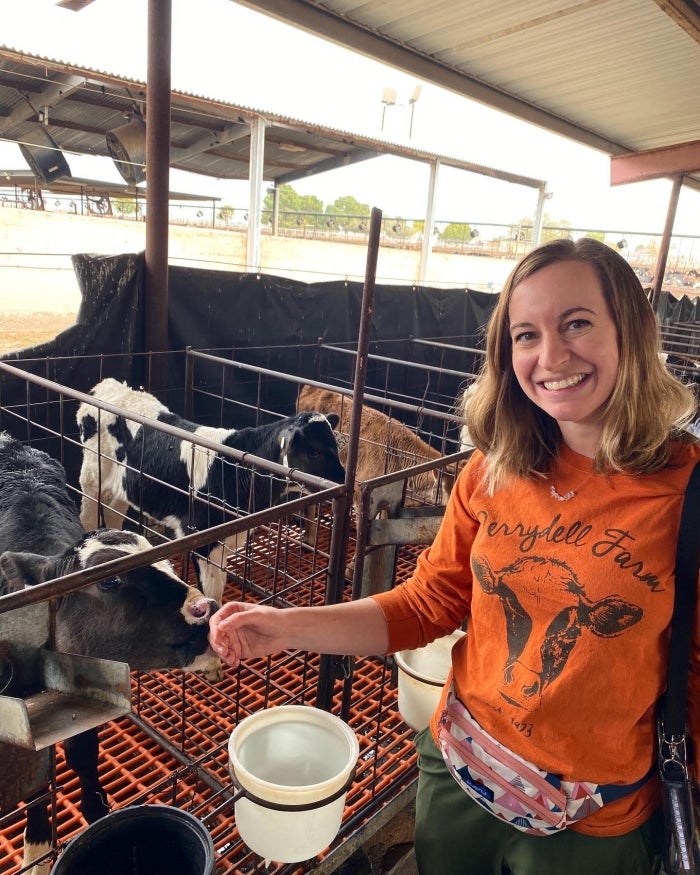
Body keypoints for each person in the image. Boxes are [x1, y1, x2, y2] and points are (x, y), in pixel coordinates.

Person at [209, 237, 700, 875]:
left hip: (593, 822)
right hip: (462, 768)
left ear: (629, 334)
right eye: (525, 335)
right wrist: (282, 627)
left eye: (576, 323)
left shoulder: (683, 492)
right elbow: (428, 603)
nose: (551, 355)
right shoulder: (493, 470)